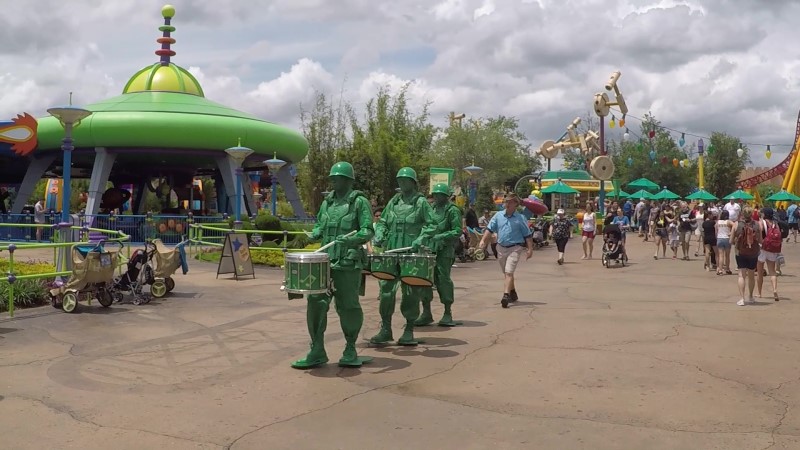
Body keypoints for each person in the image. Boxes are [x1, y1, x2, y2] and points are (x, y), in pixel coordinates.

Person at [292, 161, 374, 369]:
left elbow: (368, 230)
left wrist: (352, 240)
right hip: (324, 263)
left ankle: (350, 347)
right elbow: (320, 225)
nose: (333, 180)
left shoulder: (359, 202)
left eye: (336, 177)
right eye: (332, 177)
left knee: (348, 307)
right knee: (315, 304)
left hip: (347, 263)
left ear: (348, 180)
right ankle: (317, 349)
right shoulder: (327, 202)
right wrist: (313, 236)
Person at [370, 167, 436, 346]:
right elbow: (383, 221)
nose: (402, 183)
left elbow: (432, 224)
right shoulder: (393, 202)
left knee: (410, 292)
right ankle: (386, 329)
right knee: (386, 291)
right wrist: (380, 234)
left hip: (411, 253)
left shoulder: (421, 203)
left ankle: (409, 328)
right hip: (392, 252)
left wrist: (421, 237)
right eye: (399, 180)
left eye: (405, 180)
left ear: (413, 182)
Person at [415, 183, 462, 327]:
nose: (435, 197)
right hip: (429, 249)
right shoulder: (431, 209)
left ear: (446, 196)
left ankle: (447, 312)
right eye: (434, 194)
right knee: (425, 280)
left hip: (445, 250)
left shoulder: (452, 210)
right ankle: (426, 313)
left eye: (439, 194)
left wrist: (441, 236)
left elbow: (457, 231)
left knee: (443, 280)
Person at [479, 193, 533, 308]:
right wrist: (483, 240)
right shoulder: (498, 216)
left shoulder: (520, 218)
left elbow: (527, 235)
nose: (507, 204)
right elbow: (489, 229)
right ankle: (512, 292)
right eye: (506, 202)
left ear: (515, 204)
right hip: (501, 248)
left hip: (515, 248)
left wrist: (530, 249)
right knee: (507, 273)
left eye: (510, 202)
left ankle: (505, 295)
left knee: (509, 272)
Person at [733, 207, 761, 306]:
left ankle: (742, 298)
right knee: (751, 275)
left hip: (740, 253)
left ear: (742, 214)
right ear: (752, 214)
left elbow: (731, 240)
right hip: (753, 253)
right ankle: (751, 296)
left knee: (741, 275)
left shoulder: (737, 224)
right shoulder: (757, 224)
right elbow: (760, 240)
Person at [756, 207, 782, 301]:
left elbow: (759, 233)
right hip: (772, 249)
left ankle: (759, 293)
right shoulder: (775, 224)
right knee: (772, 271)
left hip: (762, 249)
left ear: (764, 214)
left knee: (759, 272)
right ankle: (775, 290)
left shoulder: (761, 222)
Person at [715, 210, 734, 275]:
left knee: (721, 255)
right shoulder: (728, 222)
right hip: (727, 238)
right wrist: (731, 232)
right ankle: (727, 269)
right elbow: (735, 226)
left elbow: (716, 231)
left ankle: (720, 269)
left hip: (719, 238)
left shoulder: (718, 222)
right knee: (727, 255)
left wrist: (717, 236)